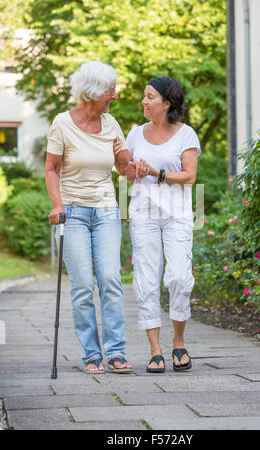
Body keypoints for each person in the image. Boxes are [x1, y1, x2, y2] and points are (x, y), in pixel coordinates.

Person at [45, 61, 132, 374]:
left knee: (110, 280)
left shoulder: (111, 124)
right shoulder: (62, 124)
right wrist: (57, 205)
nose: (115, 96)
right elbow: (51, 168)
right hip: (73, 213)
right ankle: (92, 355)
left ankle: (116, 352)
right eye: (111, 90)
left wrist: (130, 164)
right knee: (82, 285)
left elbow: (124, 168)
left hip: (107, 209)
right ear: (94, 92)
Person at [114, 76, 200, 373]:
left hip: (177, 215)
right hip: (143, 215)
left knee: (178, 277)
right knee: (147, 281)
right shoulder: (135, 135)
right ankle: (155, 350)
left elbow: (189, 176)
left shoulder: (186, 134)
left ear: (167, 102)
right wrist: (133, 170)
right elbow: (126, 175)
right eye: (144, 96)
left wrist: (157, 172)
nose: (144, 101)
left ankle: (178, 341)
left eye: (150, 97)